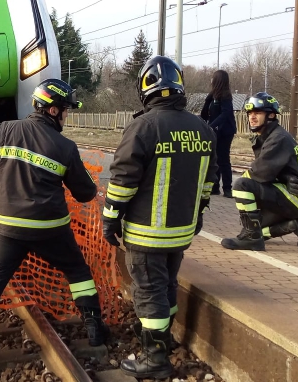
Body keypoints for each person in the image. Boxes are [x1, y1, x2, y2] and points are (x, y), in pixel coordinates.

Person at [0, 78, 110, 366]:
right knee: (77, 270)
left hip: (9, 228)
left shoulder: (6, 130)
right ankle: (95, 331)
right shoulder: (65, 146)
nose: (67, 115)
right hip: (50, 228)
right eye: (65, 109)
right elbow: (86, 192)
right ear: (53, 111)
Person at [102, 56, 218, 380]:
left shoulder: (143, 127)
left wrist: (110, 219)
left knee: (149, 292)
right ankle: (162, 341)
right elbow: (208, 183)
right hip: (181, 233)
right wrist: (198, 216)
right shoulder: (203, 129)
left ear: (145, 90)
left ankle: (154, 359)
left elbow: (123, 181)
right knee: (166, 286)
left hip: (146, 234)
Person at [221, 92, 298, 251]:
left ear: (271, 115)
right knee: (257, 227)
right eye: (250, 113)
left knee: (242, 185)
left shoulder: (277, 138)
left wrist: (242, 194)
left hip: (296, 196)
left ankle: (251, 239)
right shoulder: (269, 136)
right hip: (295, 196)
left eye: (258, 113)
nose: (252, 117)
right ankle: (297, 223)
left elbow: (258, 173)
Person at [200, 70, 237, 198]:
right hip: (214, 131)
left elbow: (225, 114)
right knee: (214, 158)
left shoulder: (226, 97)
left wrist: (212, 125)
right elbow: (204, 113)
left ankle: (227, 188)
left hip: (225, 131)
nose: (211, 80)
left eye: (213, 78)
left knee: (223, 159)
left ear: (218, 80)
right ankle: (215, 187)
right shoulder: (211, 96)